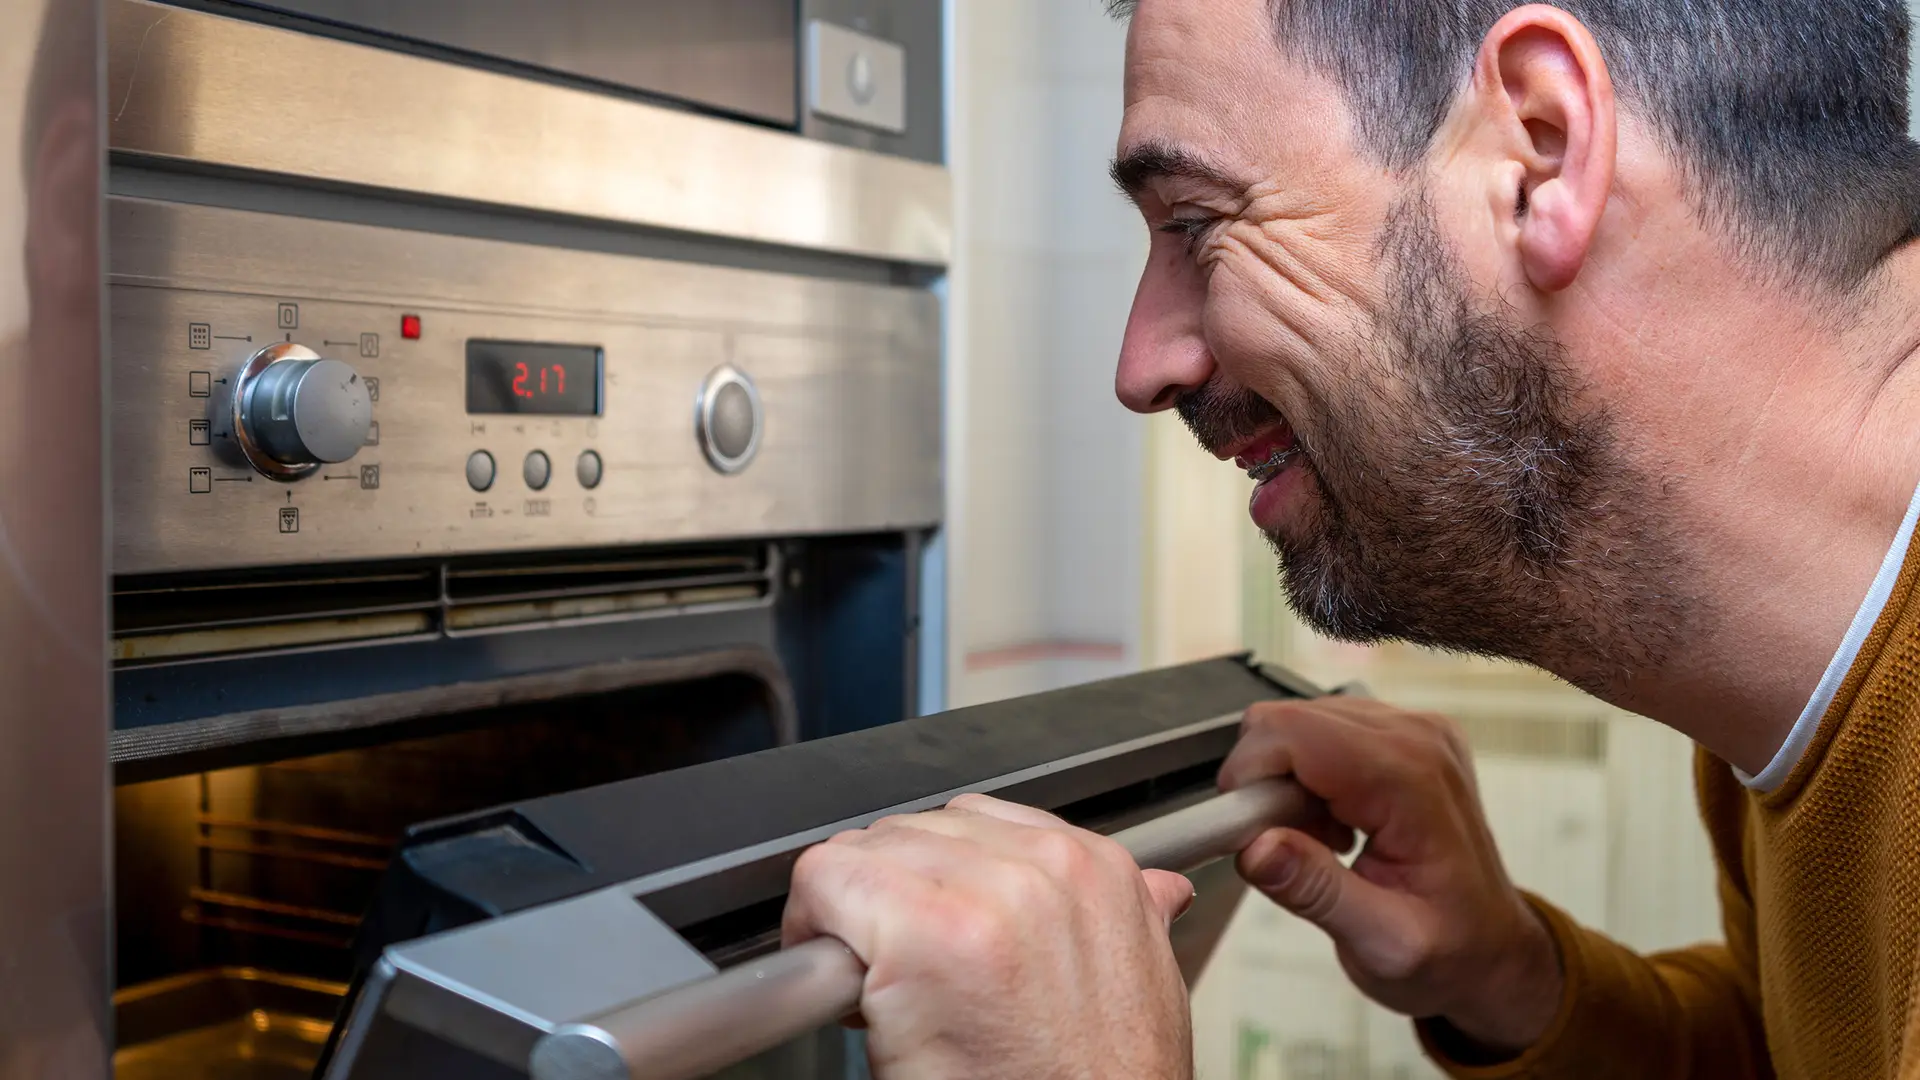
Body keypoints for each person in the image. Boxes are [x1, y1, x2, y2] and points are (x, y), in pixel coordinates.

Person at [779, 0, 1920, 1076]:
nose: (1144, 365)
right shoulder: (1792, 680)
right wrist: (1512, 978)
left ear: (1540, 148)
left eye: (1196, 223)